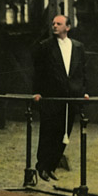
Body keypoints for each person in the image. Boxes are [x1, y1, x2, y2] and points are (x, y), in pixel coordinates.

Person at [33, 15, 88, 182]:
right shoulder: (46, 47)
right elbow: (39, 71)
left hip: (71, 96)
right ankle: (42, 165)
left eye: (59, 23)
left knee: (65, 131)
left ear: (68, 27)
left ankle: (51, 166)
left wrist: (84, 91)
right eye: (53, 24)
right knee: (48, 131)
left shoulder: (78, 47)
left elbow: (82, 72)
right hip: (51, 96)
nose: (55, 26)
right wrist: (37, 91)